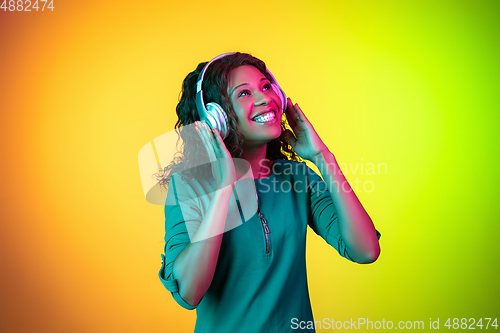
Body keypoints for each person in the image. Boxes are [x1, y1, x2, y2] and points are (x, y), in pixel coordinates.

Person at [157, 52, 381, 333]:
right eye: (244, 93)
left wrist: (323, 157)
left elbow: (366, 251)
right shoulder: (190, 186)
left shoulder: (298, 178)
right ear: (216, 118)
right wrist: (224, 188)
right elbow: (189, 293)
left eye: (266, 87)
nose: (264, 99)